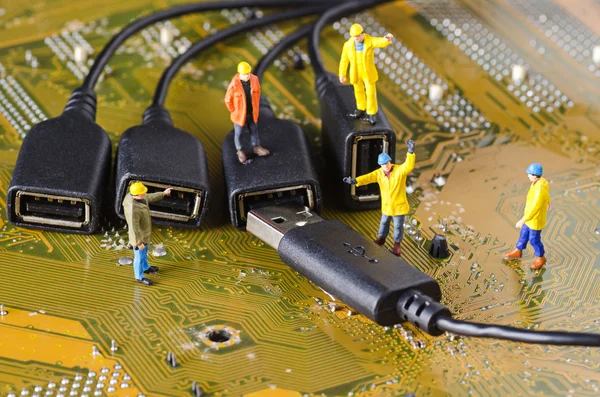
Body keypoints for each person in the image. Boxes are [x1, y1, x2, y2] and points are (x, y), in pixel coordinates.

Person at [343, 140, 415, 256]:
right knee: (383, 223)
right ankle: (381, 239)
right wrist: (355, 180)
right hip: (387, 206)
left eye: (386, 163)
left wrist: (410, 152)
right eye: (382, 165)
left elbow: (408, 166)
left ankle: (397, 244)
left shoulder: (399, 171)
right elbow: (368, 177)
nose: (385, 166)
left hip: (399, 207)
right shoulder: (379, 173)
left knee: (398, 226)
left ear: (390, 162)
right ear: (380, 165)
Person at [339, 23, 393, 125]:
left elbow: (378, 41)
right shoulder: (347, 46)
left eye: (358, 35)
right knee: (358, 92)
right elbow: (344, 60)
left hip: (368, 73)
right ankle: (360, 108)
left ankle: (371, 113)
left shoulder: (369, 41)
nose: (357, 38)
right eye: (354, 36)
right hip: (355, 73)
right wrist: (342, 74)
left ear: (363, 34)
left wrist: (386, 39)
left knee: (370, 93)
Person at [122, 182, 171, 285]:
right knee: (139, 256)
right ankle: (139, 276)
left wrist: (163, 193)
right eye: (142, 193)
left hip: (144, 233)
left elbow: (149, 197)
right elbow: (134, 228)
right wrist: (138, 243)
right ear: (136, 195)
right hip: (138, 237)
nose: (145, 194)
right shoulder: (132, 209)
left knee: (145, 252)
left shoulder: (138, 196)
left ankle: (146, 267)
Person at [503, 163, 551, 270]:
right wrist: (548, 201)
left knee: (534, 240)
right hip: (530, 218)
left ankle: (541, 258)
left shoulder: (540, 189)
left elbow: (535, 207)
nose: (527, 176)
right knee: (523, 234)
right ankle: (518, 251)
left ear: (535, 175)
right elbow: (547, 193)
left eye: (529, 174)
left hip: (535, 220)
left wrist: (523, 219)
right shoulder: (539, 181)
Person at [224, 61, 269, 164]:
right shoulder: (234, 84)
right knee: (239, 133)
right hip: (239, 115)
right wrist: (234, 110)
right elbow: (227, 99)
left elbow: (258, 94)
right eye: (244, 74)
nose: (246, 76)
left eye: (247, 73)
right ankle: (240, 150)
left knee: (254, 130)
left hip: (252, 113)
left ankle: (256, 147)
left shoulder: (255, 80)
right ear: (239, 73)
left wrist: (256, 108)